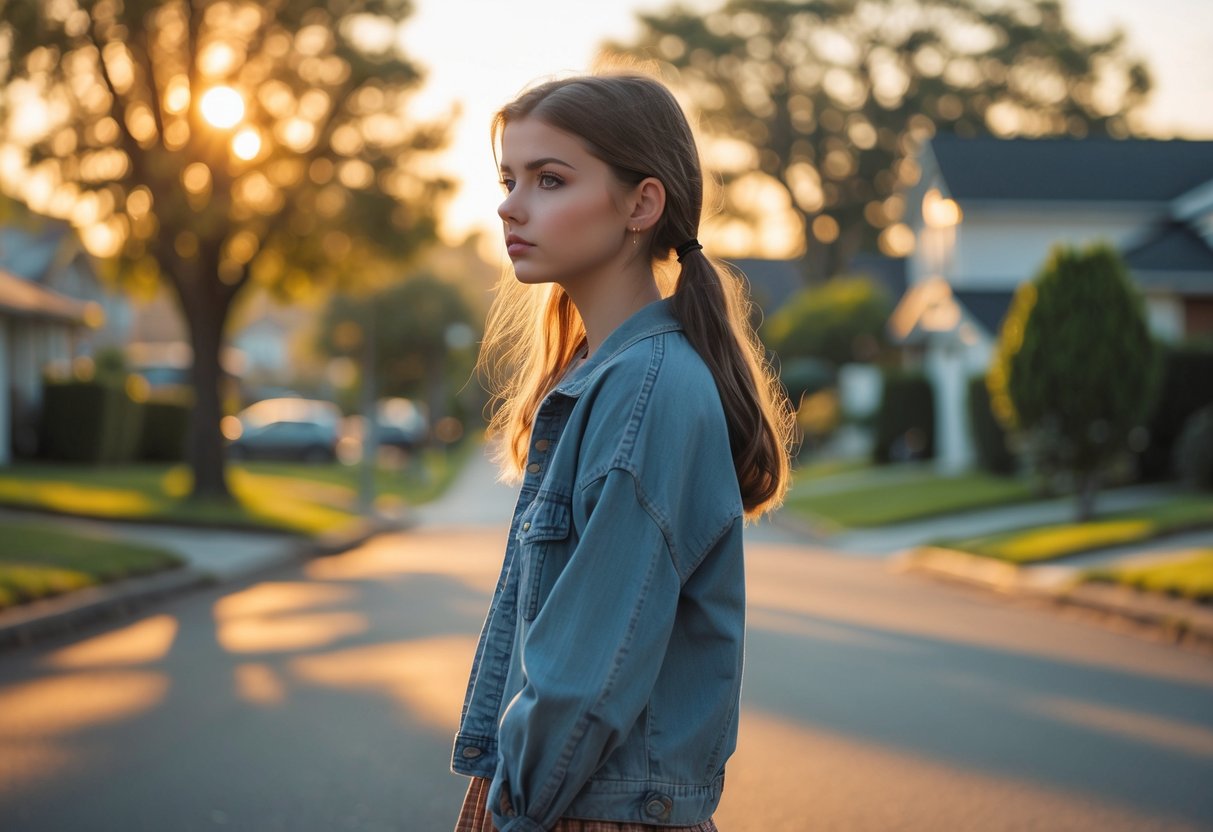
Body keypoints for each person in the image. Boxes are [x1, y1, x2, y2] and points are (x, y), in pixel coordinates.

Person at [452, 72, 795, 832]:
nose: (511, 204)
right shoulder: (603, 377)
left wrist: (516, 810)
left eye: (549, 179)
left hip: (587, 814)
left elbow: (587, 679)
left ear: (641, 204)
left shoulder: (648, 391)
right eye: (509, 179)